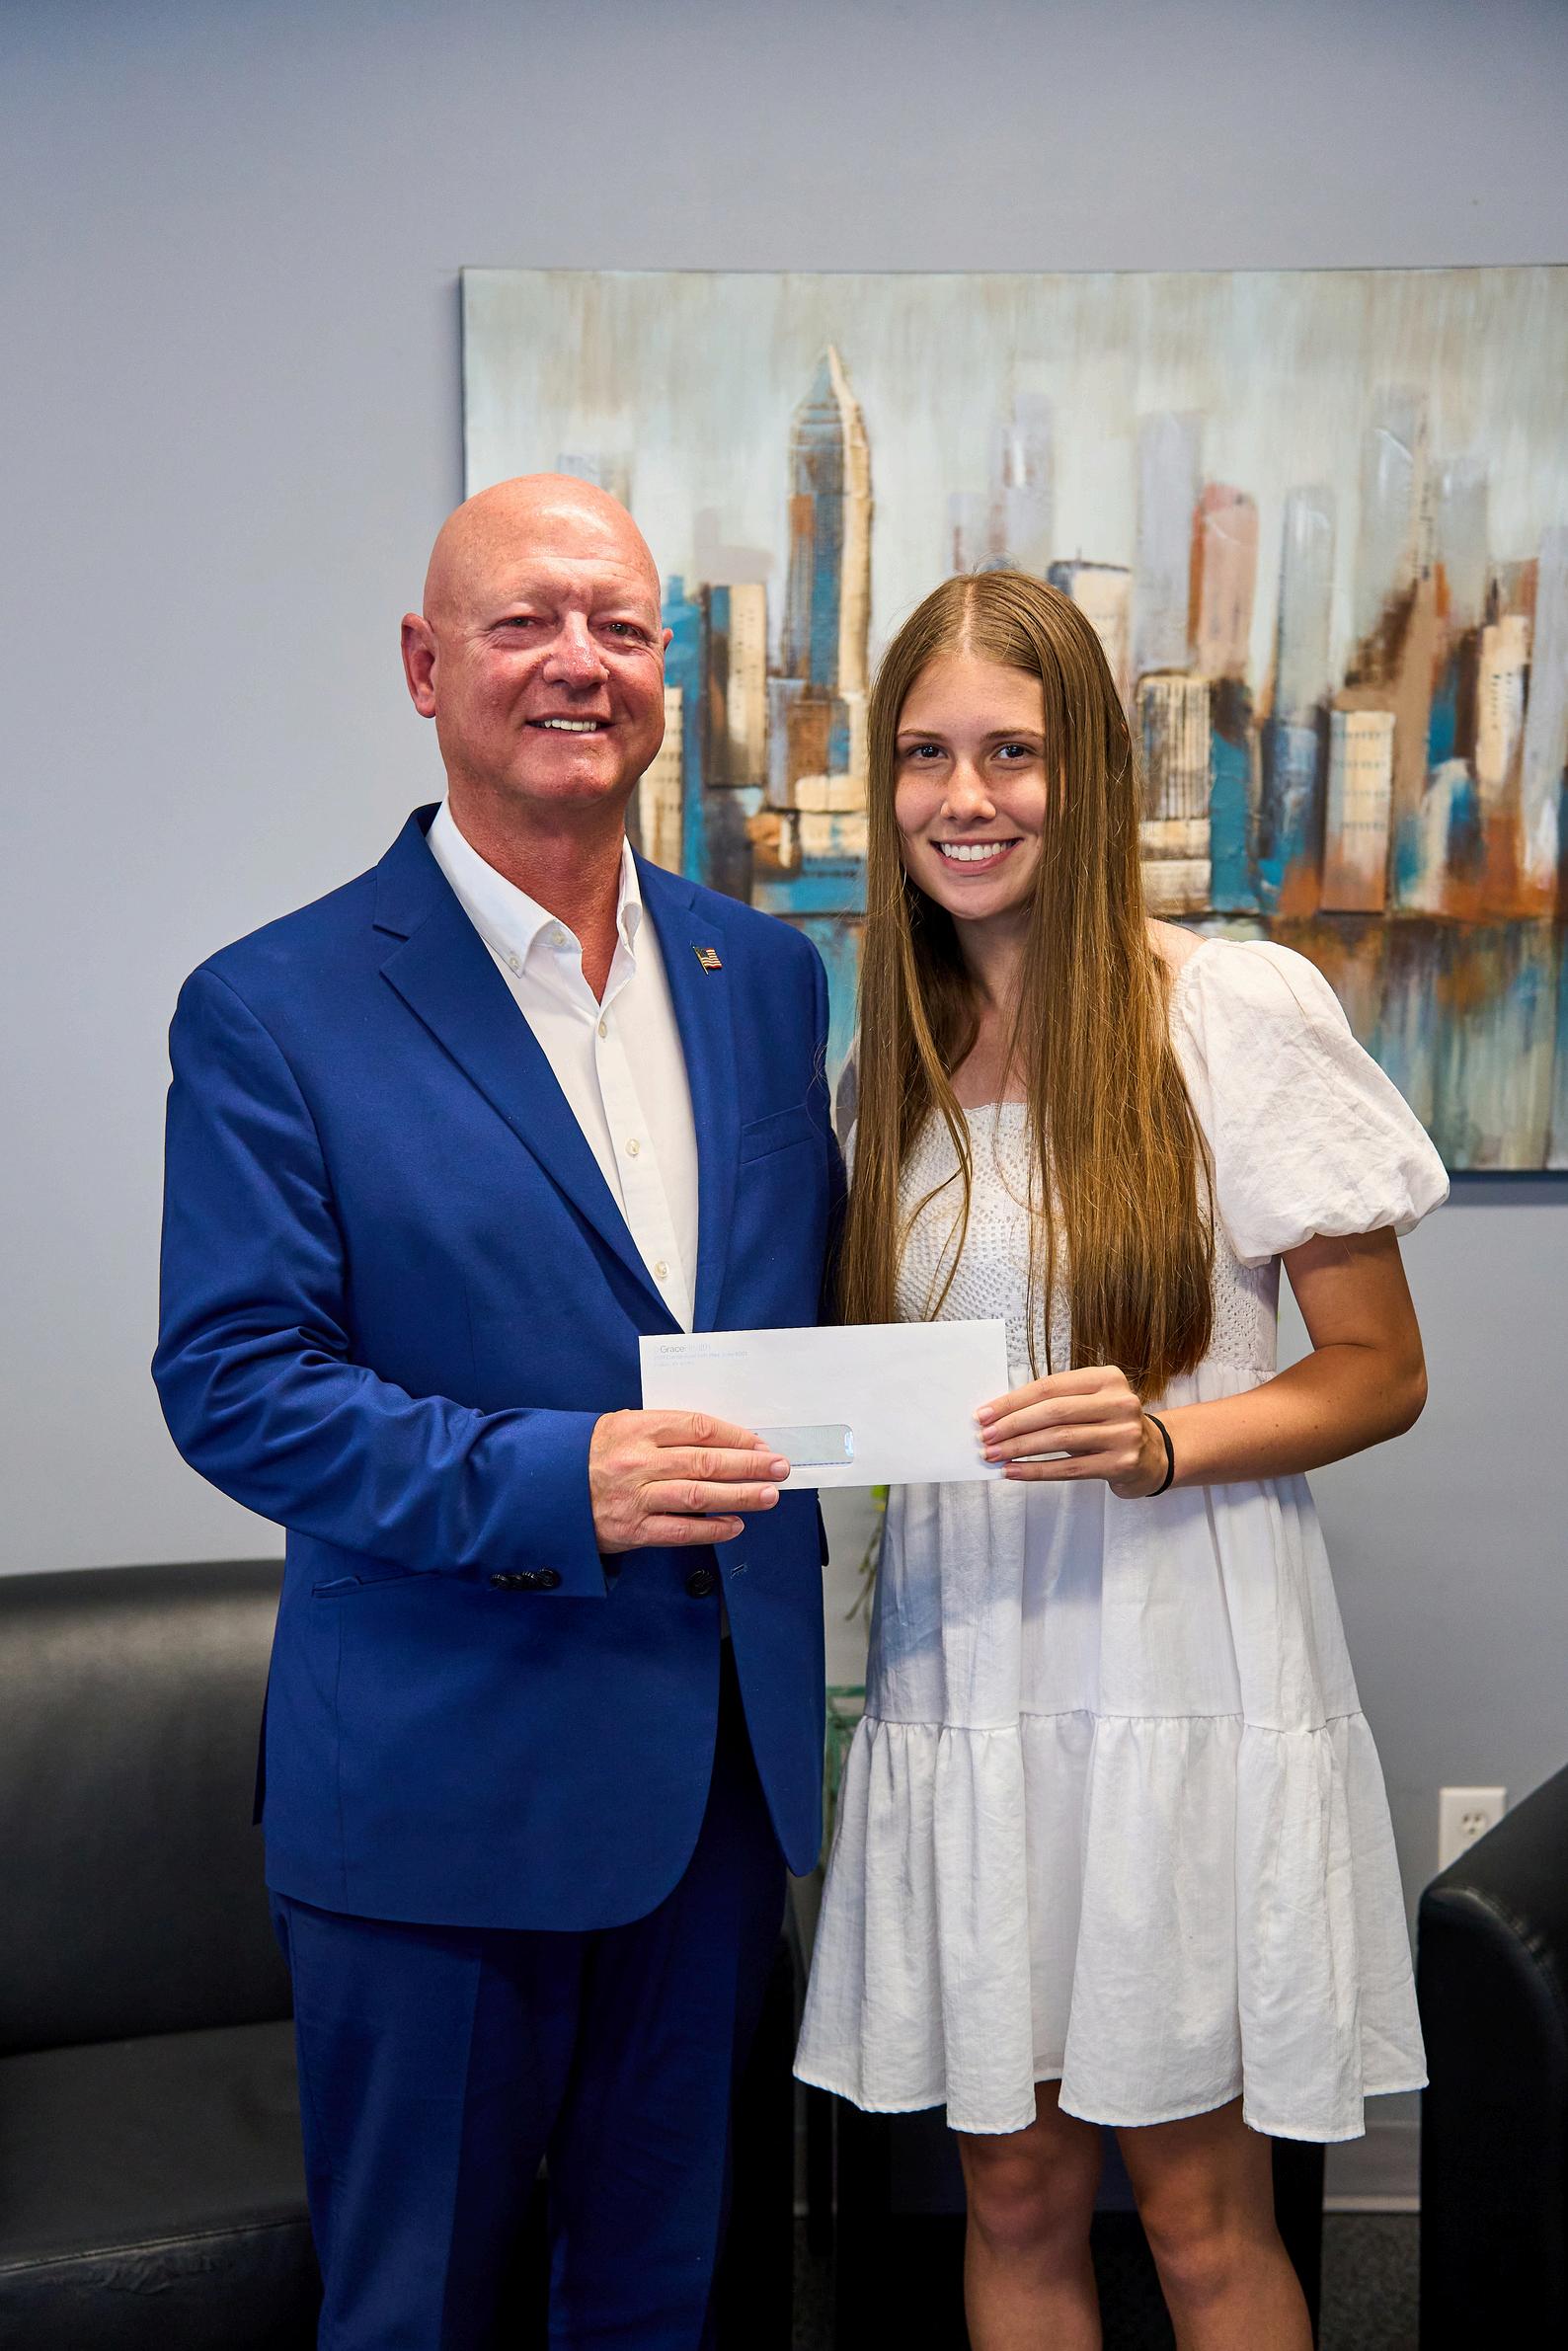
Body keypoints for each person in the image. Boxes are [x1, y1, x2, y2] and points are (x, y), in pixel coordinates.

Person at [154, 475, 840, 2350]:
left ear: (665, 672)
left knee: (668, 2304)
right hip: (437, 1799)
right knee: (420, 2315)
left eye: (620, 626)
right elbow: (235, 1380)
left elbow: (798, 1314)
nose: (577, 662)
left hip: (718, 1789)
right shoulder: (274, 1004)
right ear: (424, 662)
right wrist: (562, 1476)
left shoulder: (767, 979)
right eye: (526, 619)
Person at [796, 571, 1447, 2349]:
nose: (965, 797)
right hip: (964, 1672)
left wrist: (1164, 1439)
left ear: (1087, 766)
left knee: (1197, 2213)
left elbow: (1381, 1370)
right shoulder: (884, 1066)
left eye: (1012, 751)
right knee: (1008, 2195)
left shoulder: (1232, 1008)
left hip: (1178, 1666)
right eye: (924, 754)